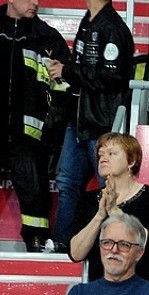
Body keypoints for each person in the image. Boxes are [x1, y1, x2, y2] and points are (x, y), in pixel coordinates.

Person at [46, 0, 134, 252]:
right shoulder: (89, 21)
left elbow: (112, 76)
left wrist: (69, 72)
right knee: (68, 185)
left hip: (102, 125)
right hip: (79, 122)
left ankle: (119, 243)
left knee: (112, 188)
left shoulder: (112, 27)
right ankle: (63, 244)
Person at [0, 0, 69, 251]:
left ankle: (38, 245)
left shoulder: (49, 39)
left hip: (30, 136)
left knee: (36, 198)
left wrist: (54, 124)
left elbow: (64, 87)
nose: (36, 3)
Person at [70, 132, 149, 295]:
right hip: (102, 291)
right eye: (100, 154)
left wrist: (115, 211)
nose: (103, 158)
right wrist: (99, 215)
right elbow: (76, 253)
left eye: (111, 153)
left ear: (131, 161)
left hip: (146, 290)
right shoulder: (88, 200)